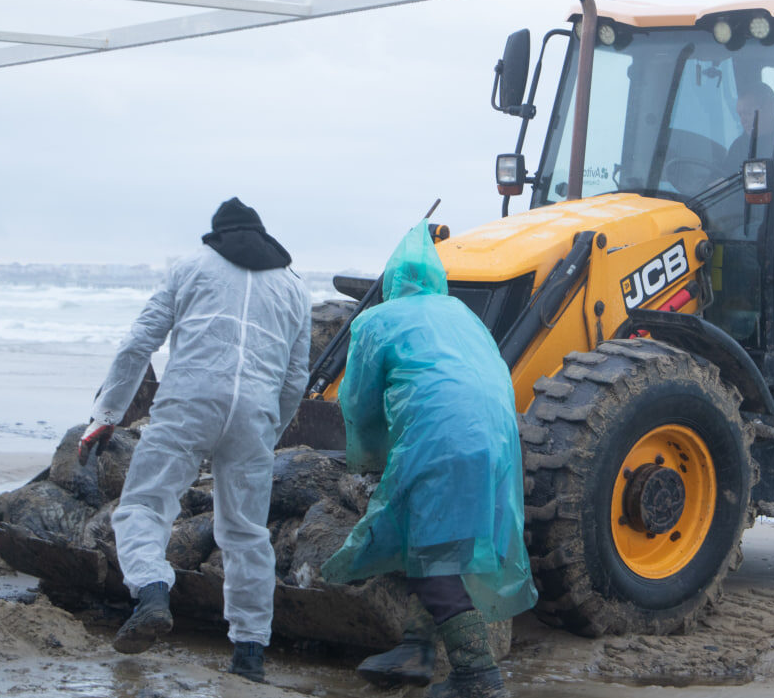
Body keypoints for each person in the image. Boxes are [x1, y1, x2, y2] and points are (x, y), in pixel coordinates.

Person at [78, 197, 311, 683]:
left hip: (189, 401)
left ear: (216, 236)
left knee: (144, 505)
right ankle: (249, 655)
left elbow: (138, 343)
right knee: (247, 533)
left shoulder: (190, 268)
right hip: (256, 414)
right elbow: (295, 379)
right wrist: (270, 431)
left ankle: (153, 592)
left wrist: (107, 413)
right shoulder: (293, 288)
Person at [321, 220, 537, 698]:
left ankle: (478, 676)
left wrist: (370, 460)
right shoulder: (462, 314)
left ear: (393, 282)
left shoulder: (377, 320)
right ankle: (416, 649)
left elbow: (357, 403)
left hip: (441, 437)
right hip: (499, 439)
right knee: (447, 546)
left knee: (431, 554)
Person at [726, 81, 774, 169]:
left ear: (770, 108)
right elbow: (725, 178)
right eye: (740, 115)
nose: (743, 121)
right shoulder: (738, 147)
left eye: (748, 113)